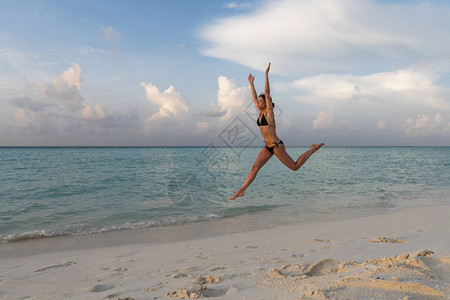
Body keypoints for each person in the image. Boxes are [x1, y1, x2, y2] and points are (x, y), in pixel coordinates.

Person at [230, 63, 324, 200]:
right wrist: (251, 84)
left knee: (295, 166)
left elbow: (266, 93)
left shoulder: (269, 113)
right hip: (268, 147)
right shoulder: (260, 112)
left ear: (266, 103)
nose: (258, 103)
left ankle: (313, 149)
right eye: (259, 102)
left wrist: (266, 74)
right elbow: (254, 98)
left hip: (276, 146)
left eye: (261, 102)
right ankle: (242, 190)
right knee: (255, 167)